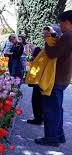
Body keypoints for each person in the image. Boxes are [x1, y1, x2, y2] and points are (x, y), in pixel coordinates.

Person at [35, 11, 72, 147]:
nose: (59, 25)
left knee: (51, 109)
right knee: (57, 108)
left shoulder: (68, 36)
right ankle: (59, 135)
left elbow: (52, 53)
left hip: (56, 79)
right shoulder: (67, 36)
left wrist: (47, 39)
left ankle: (51, 138)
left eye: (60, 23)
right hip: (63, 78)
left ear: (67, 22)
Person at [26, 47, 43, 125]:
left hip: (37, 84)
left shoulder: (37, 61)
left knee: (36, 102)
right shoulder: (42, 60)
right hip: (41, 83)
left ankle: (38, 119)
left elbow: (33, 73)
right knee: (40, 102)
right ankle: (40, 118)